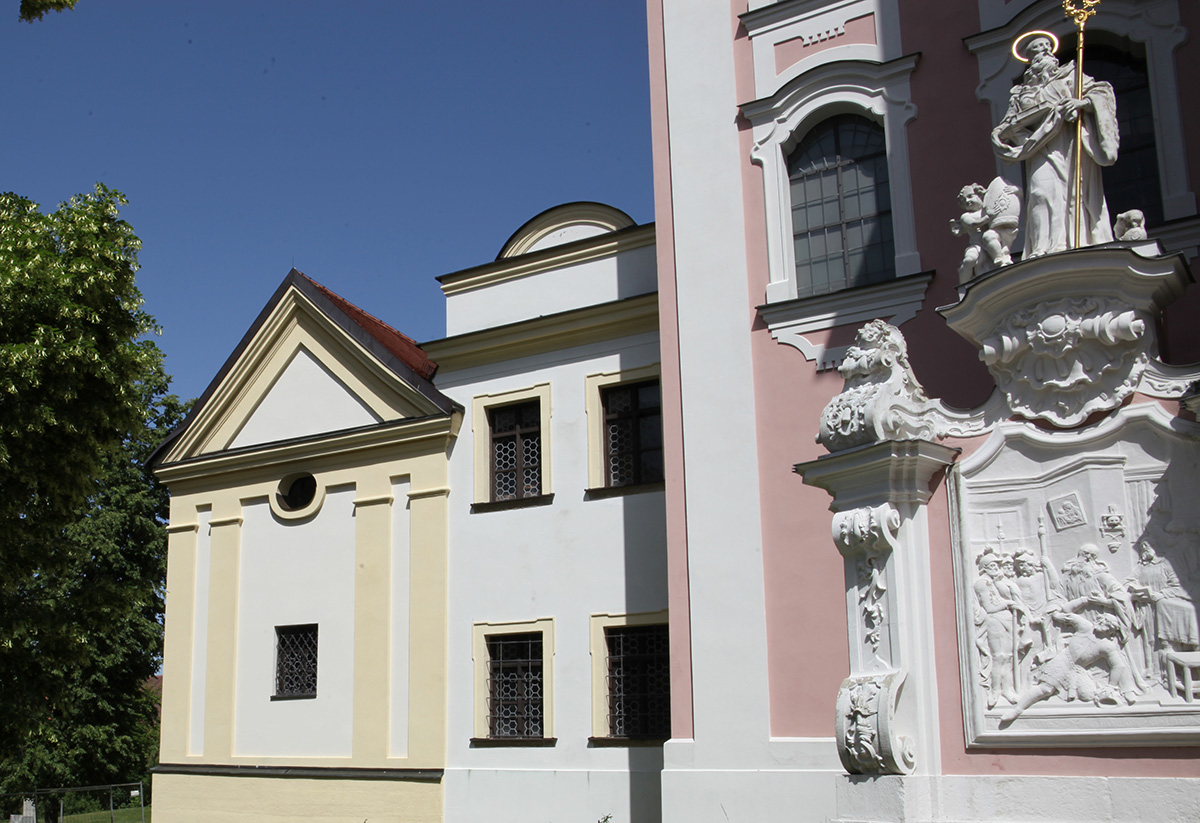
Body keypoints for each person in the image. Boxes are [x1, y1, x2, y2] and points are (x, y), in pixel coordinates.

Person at [991, 34, 1119, 257]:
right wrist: (1002, 135)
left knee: (1072, 192)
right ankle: (1042, 248)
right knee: (1041, 191)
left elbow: (1101, 93)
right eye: (1037, 50)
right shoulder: (1020, 93)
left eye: (1046, 48)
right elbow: (1008, 125)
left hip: (1070, 144)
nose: (1043, 52)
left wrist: (1082, 103)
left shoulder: (1070, 76)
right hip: (1038, 148)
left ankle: (1074, 241)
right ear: (1030, 60)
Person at [1000, 612, 1140, 724]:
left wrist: (1111, 686)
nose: (1102, 624)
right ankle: (1018, 710)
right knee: (1046, 688)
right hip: (1064, 660)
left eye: (1107, 625)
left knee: (1088, 695)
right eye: (1102, 620)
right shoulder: (1086, 627)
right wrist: (1057, 614)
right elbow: (1066, 613)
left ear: (1110, 632)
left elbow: (1118, 665)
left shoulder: (1106, 646)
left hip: (1078, 668)